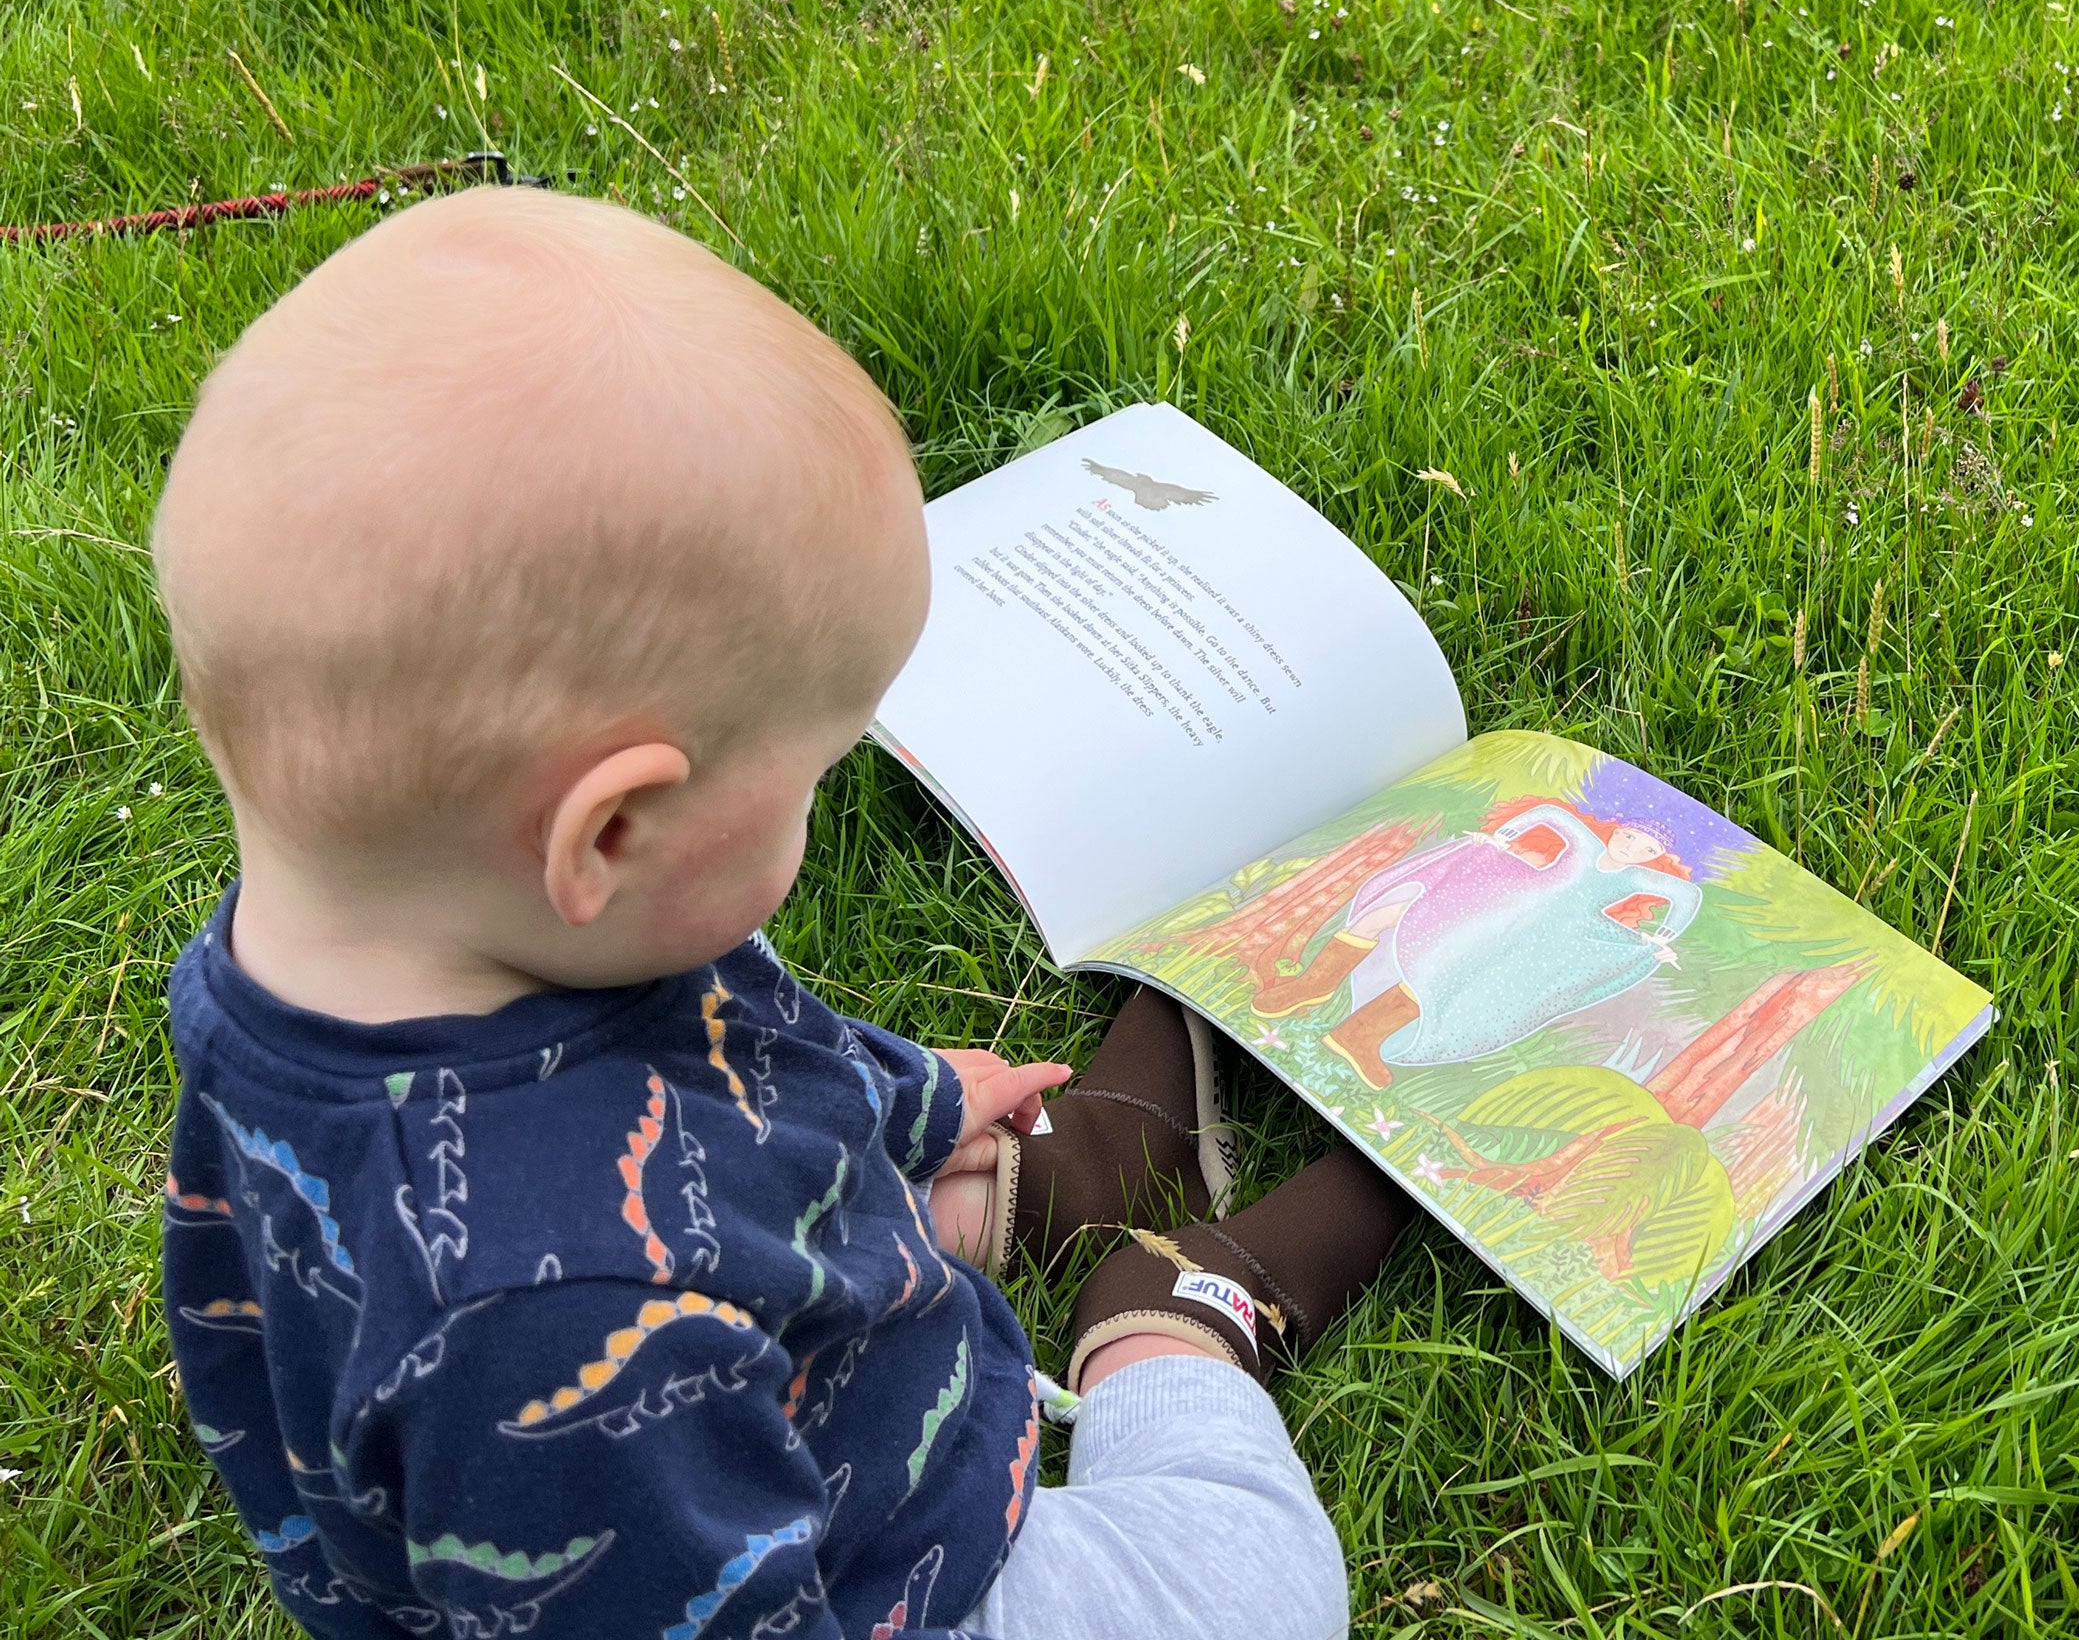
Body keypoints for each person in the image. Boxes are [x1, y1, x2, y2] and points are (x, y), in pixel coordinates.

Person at [149, 186, 1412, 1640]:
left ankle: (1036, 1179)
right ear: (609, 830)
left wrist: (927, 1098)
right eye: (813, 768)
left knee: (818, 1188)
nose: (818, 806)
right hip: (908, 1578)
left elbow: (733, 1052)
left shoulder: (383, 945)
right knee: (1262, 1593)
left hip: (774, 1373)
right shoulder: (551, 1343)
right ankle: (1180, 1315)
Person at [1259, 804, 1702, 1089]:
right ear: (1617, 831)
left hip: (1531, 937)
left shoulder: (1636, 878)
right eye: (1629, 837)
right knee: (1401, 911)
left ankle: (1358, 1035)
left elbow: (1688, 896)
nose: (1632, 848)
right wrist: (1506, 836)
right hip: (1497, 898)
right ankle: (1313, 985)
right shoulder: (1586, 843)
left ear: (1652, 857)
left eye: (1645, 848)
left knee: (1445, 975)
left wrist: (1663, 936)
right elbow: (1548, 811)